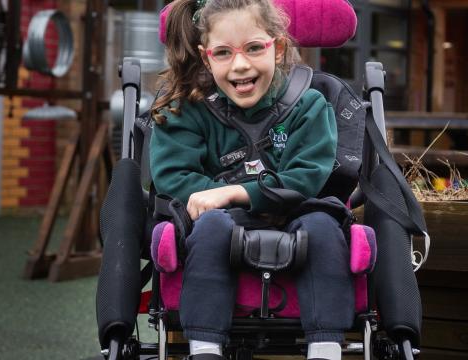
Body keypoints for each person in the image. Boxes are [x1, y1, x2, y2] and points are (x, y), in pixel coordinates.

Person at [149, 0, 354, 359]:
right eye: (224, 53)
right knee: (212, 225)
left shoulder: (309, 106)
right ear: (206, 56)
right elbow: (173, 177)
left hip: (297, 211)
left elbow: (305, 177)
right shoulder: (186, 109)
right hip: (217, 223)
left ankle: (325, 346)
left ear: (278, 48)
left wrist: (235, 192)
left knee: (324, 225)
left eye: (254, 48)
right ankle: (205, 348)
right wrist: (219, 199)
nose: (240, 65)